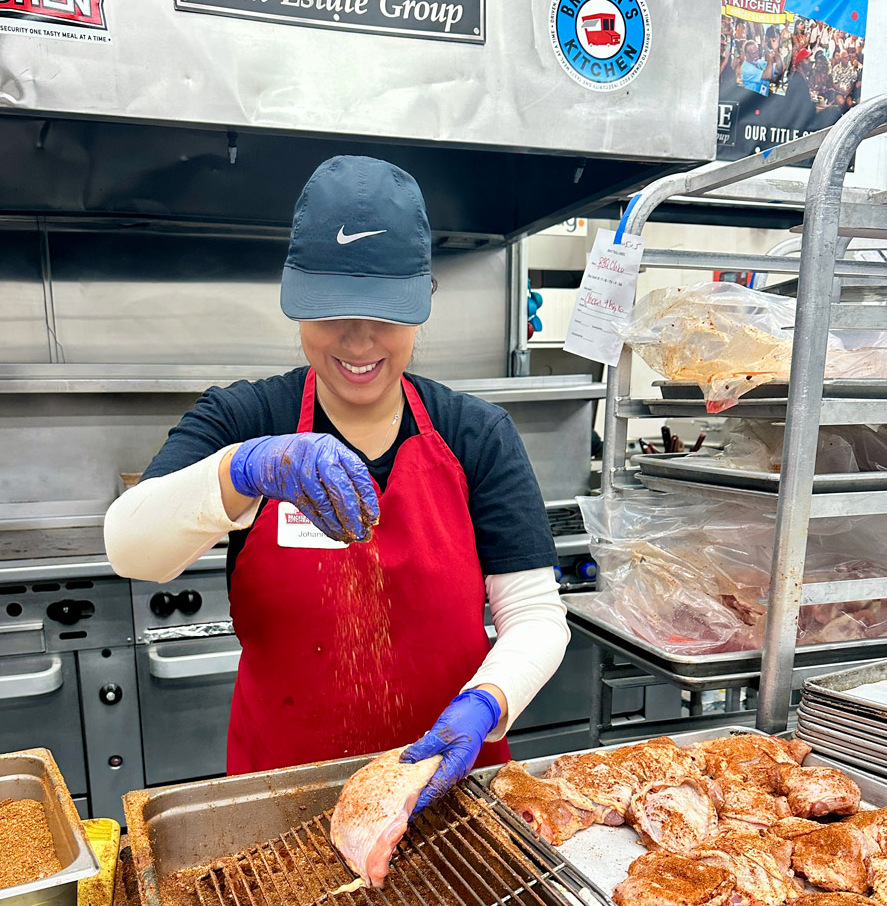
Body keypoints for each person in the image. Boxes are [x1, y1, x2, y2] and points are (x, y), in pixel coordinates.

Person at [104, 156, 569, 811]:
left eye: (385, 313)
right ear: (296, 300)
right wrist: (244, 468)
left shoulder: (476, 435)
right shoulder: (244, 418)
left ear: (423, 301)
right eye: (332, 311)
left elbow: (536, 617)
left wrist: (487, 700)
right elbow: (129, 545)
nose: (358, 339)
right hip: (284, 800)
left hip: (446, 791)